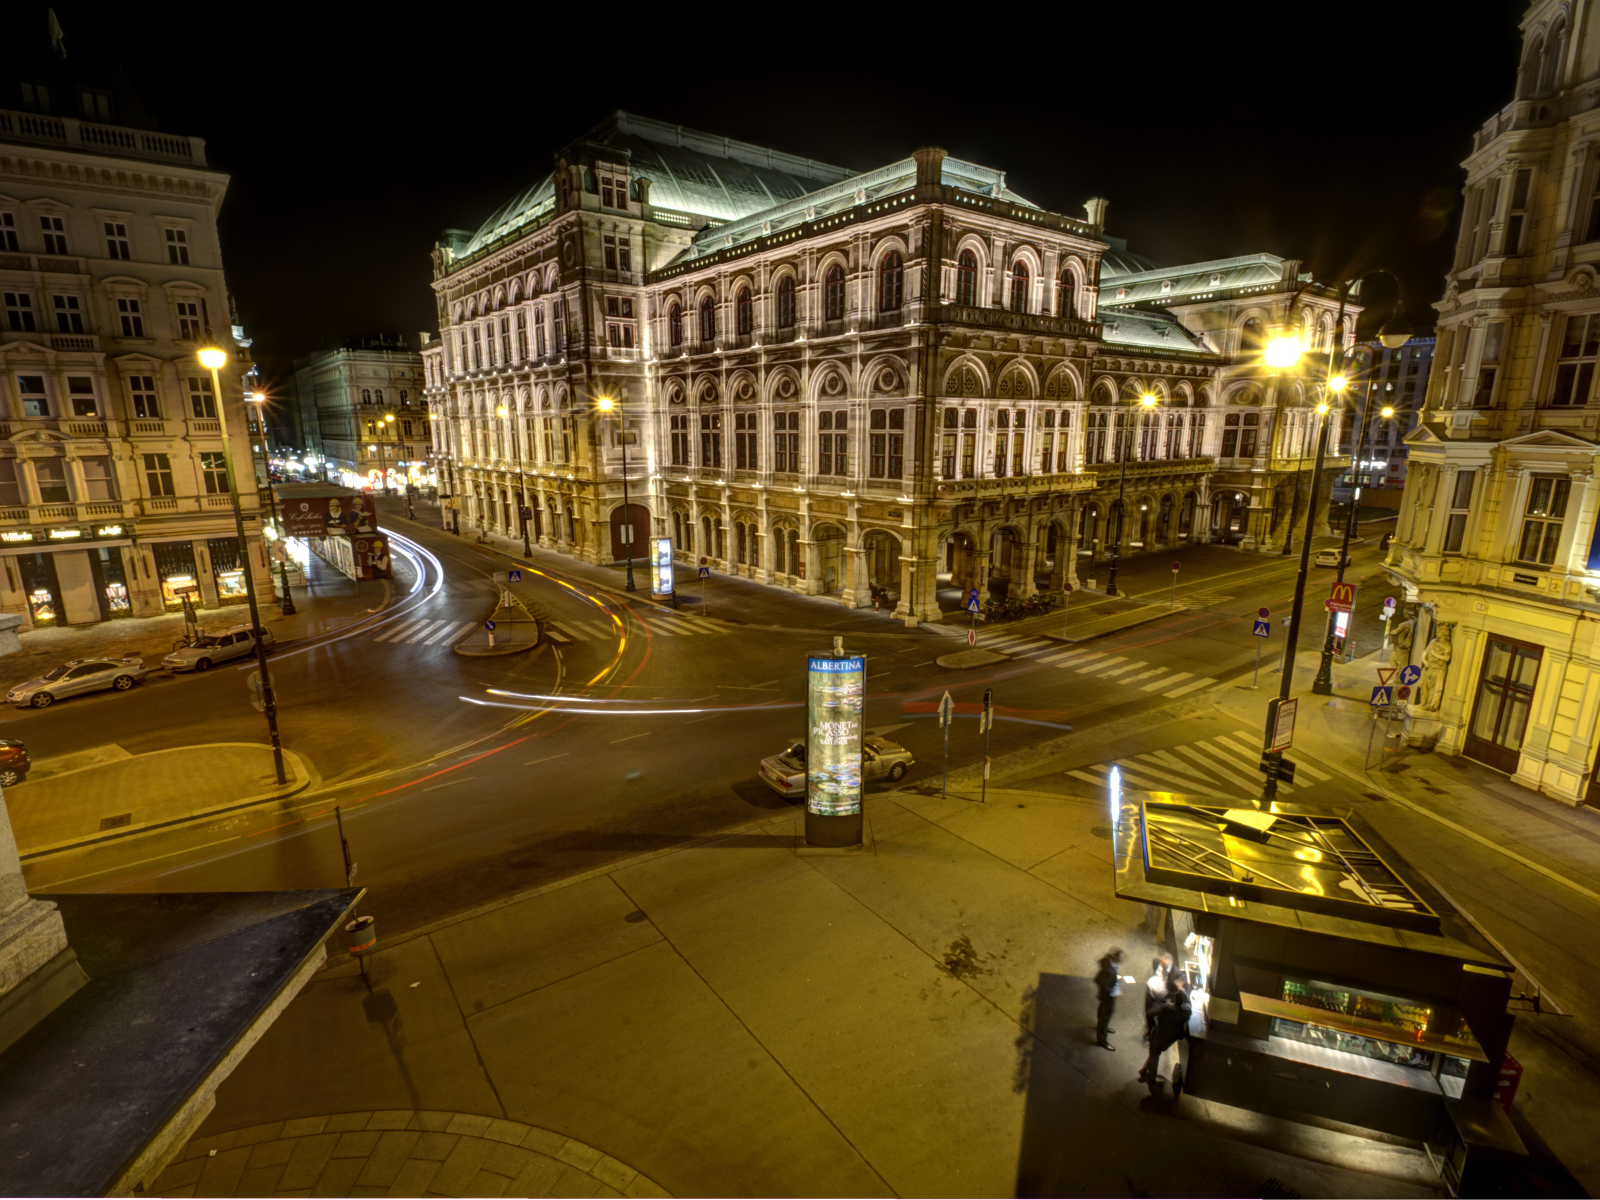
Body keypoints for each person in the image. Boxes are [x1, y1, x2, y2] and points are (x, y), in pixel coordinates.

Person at [1141, 975, 1192, 1094]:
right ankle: (1145, 1068)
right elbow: (1188, 1002)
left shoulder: (1166, 1009)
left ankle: (1150, 1077)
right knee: (1156, 1052)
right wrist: (1182, 991)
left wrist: (1153, 1025)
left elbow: (1149, 1013)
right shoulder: (1186, 1012)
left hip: (1160, 1035)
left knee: (1154, 1054)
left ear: (1174, 999)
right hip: (1170, 1038)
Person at [1093, 948, 1123, 1051]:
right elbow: (1100, 981)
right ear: (1115, 957)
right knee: (1106, 1016)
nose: (1122, 959)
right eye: (1120, 957)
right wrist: (1111, 991)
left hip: (1105, 996)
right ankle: (1102, 1040)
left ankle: (1101, 1026)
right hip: (1109, 997)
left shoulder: (1109, 963)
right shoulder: (1108, 970)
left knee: (1102, 1011)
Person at [1143, 954, 1172, 1045]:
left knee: (1154, 1016)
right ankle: (1150, 1030)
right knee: (1148, 1014)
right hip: (1151, 994)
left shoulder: (1171, 976)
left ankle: (1154, 1033)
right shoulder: (1159, 964)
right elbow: (1155, 961)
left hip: (1159, 999)